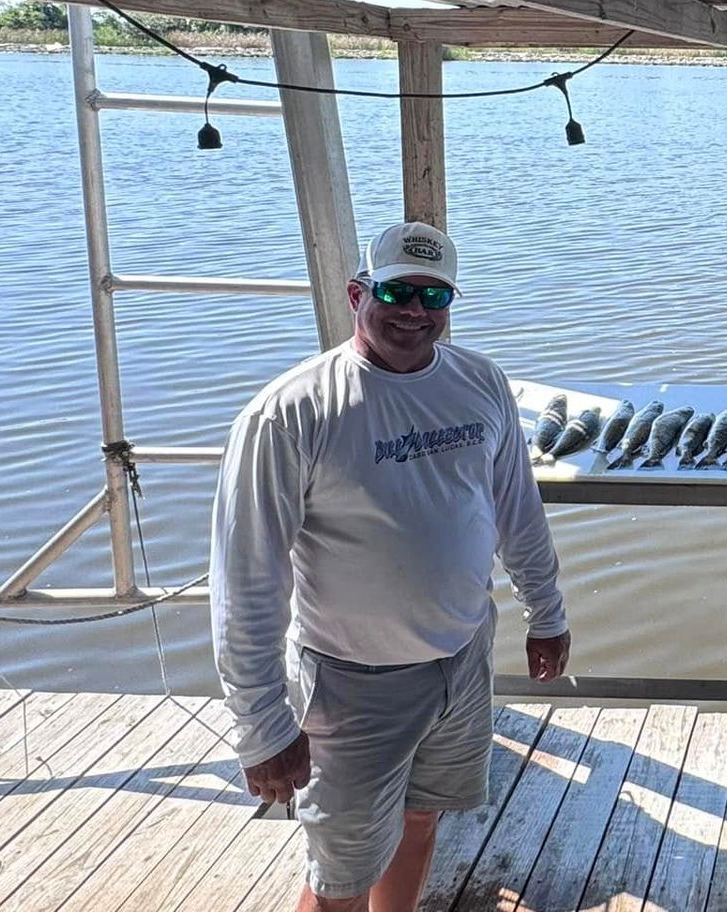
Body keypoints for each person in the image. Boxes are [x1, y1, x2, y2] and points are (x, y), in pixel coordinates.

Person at [210, 221, 571, 912]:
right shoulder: (289, 414)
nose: (414, 311)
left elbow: (516, 509)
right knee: (340, 877)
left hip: (462, 661)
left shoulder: (480, 382)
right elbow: (246, 582)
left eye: (434, 295)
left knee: (421, 818)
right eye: (397, 291)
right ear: (358, 294)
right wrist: (261, 725)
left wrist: (547, 612)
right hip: (350, 685)